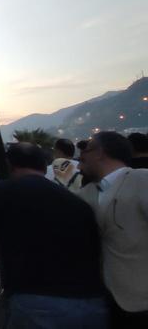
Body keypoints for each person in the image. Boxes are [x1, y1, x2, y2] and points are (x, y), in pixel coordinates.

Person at [0, 142, 107, 328]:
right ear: (44, 166)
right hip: (91, 303)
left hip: (37, 304)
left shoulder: (3, 193)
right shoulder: (77, 202)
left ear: (9, 165)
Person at [77, 131, 148, 328]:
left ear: (100, 153)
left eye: (86, 152)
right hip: (109, 300)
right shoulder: (86, 194)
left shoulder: (142, 180)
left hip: (143, 301)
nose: (81, 159)